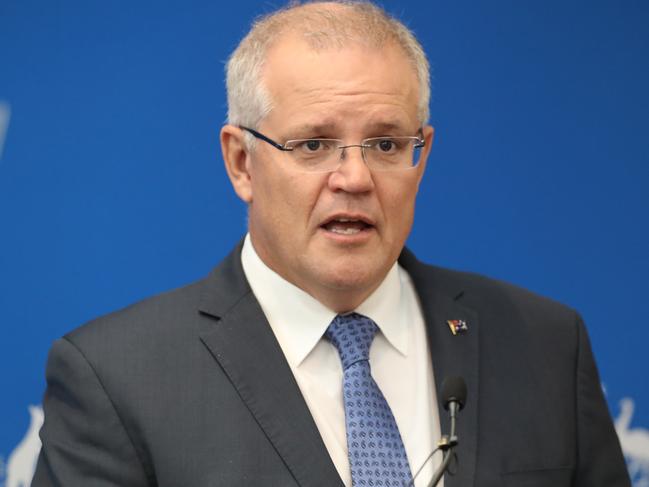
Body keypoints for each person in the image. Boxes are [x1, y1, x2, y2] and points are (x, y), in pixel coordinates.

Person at [32, 2, 630, 486]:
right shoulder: (117, 378)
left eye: (387, 145)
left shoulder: (547, 345)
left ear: (421, 158)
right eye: (313, 145)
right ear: (242, 162)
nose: (354, 178)